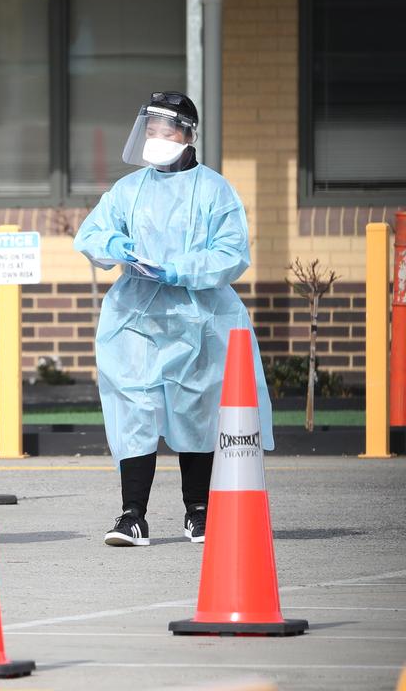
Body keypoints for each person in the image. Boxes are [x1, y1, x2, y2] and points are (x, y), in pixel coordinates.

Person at [74, 91, 275, 547]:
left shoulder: (214, 190)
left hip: (197, 318)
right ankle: (132, 516)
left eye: (164, 130)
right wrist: (117, 247)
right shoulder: (130, 189)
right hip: (137, 318)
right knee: (134, 409)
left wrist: (179, 270)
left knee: (198, 411)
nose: (155, 139)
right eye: (149, 130)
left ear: (187, 135)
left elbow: (231, 253)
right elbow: (93, 232)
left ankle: (198, 513)